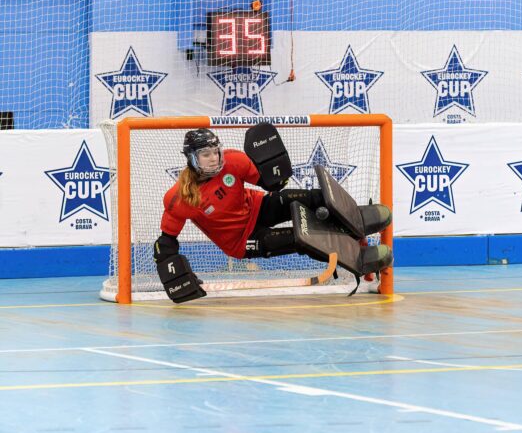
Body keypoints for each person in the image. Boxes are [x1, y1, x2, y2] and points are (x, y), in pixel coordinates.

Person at [153, 123, 392, 303]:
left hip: (257, 207)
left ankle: (357, 219)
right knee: (304, 239)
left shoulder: (234, 161)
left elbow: (266, 182)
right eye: (206, 154)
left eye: (216, 151)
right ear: (192, 159)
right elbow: (166, 241)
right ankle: (360, 259)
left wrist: (277, 178)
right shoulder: (179, 198)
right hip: (241, 240)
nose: (214, 158)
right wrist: (179, 276)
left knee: (308, 197)